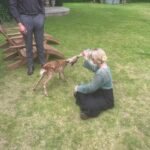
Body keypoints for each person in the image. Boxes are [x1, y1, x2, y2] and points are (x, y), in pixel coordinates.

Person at [74, 48, 114, 120]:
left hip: (106, 98)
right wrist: (86, 58)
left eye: (92, 59)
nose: (91, 60)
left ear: (98, 60)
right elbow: (94, 68)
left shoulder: (102, 72)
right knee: (81, 92)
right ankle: (80, 96)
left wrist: (78, 88)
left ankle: (87, 113)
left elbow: (91, 88)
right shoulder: (102, 65)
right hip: (101, 91)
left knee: (90, 104)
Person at [9, 0, 46, 75]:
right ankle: (30, 66)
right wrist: (19, 23)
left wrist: (42, 15)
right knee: (28, 44)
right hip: (25, 18)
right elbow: (12, 6)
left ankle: (43, 64)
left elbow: (41, 2)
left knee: (40, 43)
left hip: (38, 17)